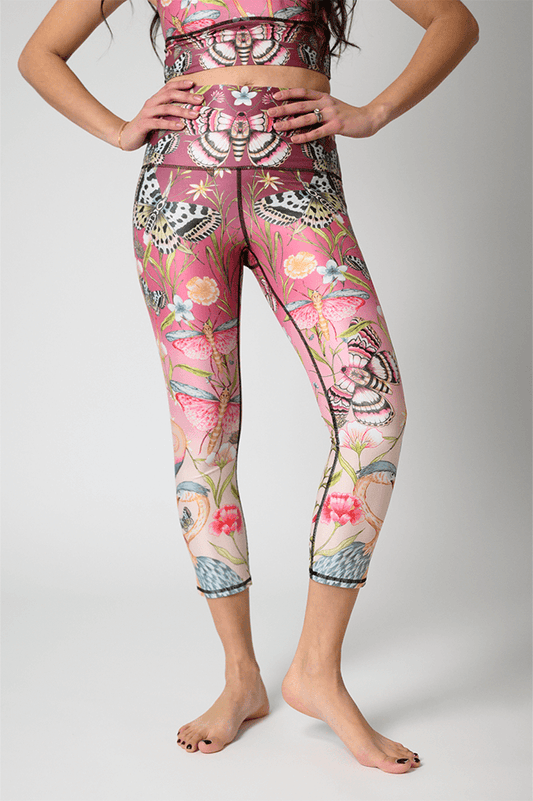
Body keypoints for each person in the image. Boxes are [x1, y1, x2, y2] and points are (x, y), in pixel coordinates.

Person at [18, 0, 479, 774]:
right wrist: (120, 128)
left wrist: (372, 112)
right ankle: (240, 677)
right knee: (204, 433)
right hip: (177, 199)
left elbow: (454, 21)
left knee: (375, 415)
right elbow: (39, 54)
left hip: (300, 193)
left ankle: (315, 670)